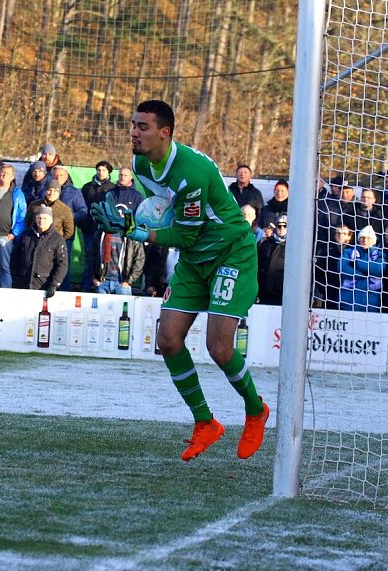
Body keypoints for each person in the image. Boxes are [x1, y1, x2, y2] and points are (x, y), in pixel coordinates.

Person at [91, 100, 268, 462]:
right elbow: (164, 212)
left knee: (219, 347)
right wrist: (137, 222)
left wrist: (136, 232)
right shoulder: (141, 164)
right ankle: (206, 423)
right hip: (195, 257)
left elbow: (184, 237)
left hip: (229, 252)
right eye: (133, 125)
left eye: (142, 127)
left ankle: (255, 410)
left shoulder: (192, 174)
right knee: (168, 340)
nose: (134, 132)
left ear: (164, 133)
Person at [10, 205, 67, 296]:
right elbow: (14, 257)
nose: (41, 221)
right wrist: (15, 278)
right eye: (39, 218)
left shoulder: (57, 239)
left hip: (44, 285)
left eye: (45, 218)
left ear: (51, 220)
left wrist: (54, 285)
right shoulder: (25, 235)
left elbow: (62, 264)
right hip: (22, 284)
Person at [80, 160, 115, 290]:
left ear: (109, 172)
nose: (101, 173)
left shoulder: (112, 188)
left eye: (104, 170)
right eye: (99, 170)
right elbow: (82, 207)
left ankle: (102, 286)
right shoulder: (87, 187)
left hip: (105, 231)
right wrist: (84, 224)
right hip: (89, 229)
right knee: (89, 259)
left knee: (104, 258)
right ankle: (86, 287)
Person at [87, 218, 146, 295]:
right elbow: (90, 256)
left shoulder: (132, 237)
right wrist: (94, 278)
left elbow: (140, 259)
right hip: (103, 283)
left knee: (124, 307)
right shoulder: (100, 234)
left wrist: (128, 281)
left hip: (123, 284)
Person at [339, 225, 384, 312]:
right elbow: (342, 268)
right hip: (347, 301)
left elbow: (379, 269)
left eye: (368, 238)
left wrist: (357, 263)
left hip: (371, 303)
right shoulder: (348, 252)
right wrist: (362, 274)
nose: (365, 240)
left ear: (373, 240)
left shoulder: (379, 254)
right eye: (362, 237)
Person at [256, 214, 287, 305]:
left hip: (282, 292)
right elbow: (258, 265)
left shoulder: (293, 246)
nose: (281, 228)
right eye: (279, 226)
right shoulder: (265, 244)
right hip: (265, 290)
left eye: (285, 226)